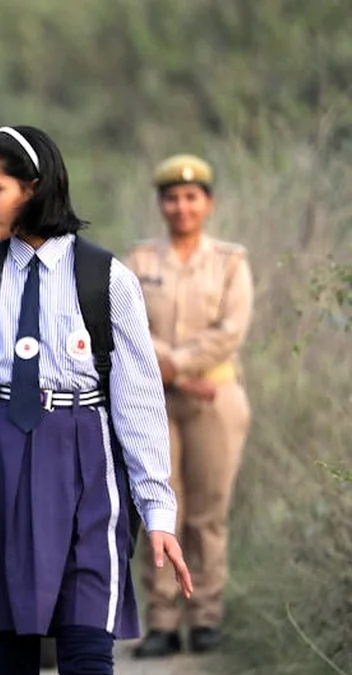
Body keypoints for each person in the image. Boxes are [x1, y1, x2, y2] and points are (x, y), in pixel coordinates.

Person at [0, 125, 194, 675]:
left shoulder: (107, 280)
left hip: (85, 464)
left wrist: (158, 510)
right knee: (10, 652)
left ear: (33, 189)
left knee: (88, 646)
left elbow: (139, 403)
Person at [127, 154, 254, 657]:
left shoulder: (230, 262)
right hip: (154, 401)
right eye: (172, 198)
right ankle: (161, 621)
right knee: (159, 507)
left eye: (191, 198)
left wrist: (175, 363)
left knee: (207, 512)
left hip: (214, 400)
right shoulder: (139, 262)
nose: (182, 207)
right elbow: (129, 323)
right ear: (161, 204)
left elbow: (230, 331)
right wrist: (174, 372)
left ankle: (204, 617)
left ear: (208, 204)